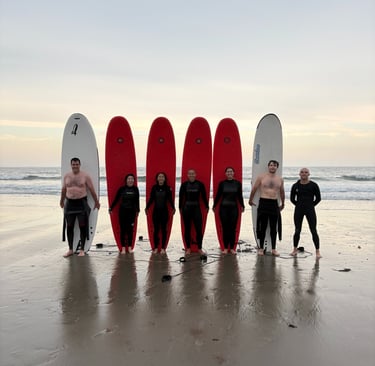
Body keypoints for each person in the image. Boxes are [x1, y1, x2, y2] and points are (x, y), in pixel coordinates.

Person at [60, 157, 100, 257]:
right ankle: (70, 249)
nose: (75, 166)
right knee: (69, 227)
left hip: (81, 203)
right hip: (70, 204)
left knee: (82, 226)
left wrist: (96, 201)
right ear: (71, 165)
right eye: (73, 164)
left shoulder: (85, 176)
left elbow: (91, 189)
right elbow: (64, 190)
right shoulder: (67, 176)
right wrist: (61, 201)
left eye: (77, 164)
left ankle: (82, 249)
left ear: (79, 165)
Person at [249, 160, 285, 256]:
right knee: (263, 226)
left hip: (274, 203)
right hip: (263, 202)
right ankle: (261, 248)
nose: (272, 167)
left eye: (274, 165)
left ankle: (273, 249)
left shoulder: (280, 179)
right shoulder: (262, 177)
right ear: (268, 166)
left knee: (274, 227)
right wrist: (250, 199)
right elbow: (254, 188)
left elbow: (282, 192)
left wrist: (283, 203)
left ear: (277, 167)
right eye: (271, 165)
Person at [290, 168, 322, 258]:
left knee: (313, 230)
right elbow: (292, 199)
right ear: (299, 174)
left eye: (306, 172)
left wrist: (311, 206)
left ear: (309, 174)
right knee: (297, 230)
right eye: (302, 172)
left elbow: (318, 198)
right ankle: (294, 249)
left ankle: (317, 251)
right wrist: (299, 205)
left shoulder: (314, 185)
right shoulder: (295, 186)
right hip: (298, 209)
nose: (304, 173)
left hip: (310, 210)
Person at [213, 167, 245, 254]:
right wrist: (214, 205)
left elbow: (240, 196)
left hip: (234, 209)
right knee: (225, 228)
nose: (229, 173)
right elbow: (218, 195)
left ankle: (232, 248)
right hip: (223, 208)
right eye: (228, 172)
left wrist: (242, 205)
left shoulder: (238, 184)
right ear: (225, 173)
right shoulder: (222, 184)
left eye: (231, 171)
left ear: (233, 173)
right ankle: (226, 248)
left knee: (233, 228)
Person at [179, 169, 209, 255]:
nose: (191, 175)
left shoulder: (200, 184)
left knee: (199, 229)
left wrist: (207, 206)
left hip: (196, 208)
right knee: (187, 229)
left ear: (195, 174)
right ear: (187, 175)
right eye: (190, 174)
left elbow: (204, 196)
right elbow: (181, 197)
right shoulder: (184, 185)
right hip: (186, 208)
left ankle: (199, 248)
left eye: (193, 173)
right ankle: (188, 248)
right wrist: (180, 208)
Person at [109, 174, 140, 254]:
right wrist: (111, 207)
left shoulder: (135, 189)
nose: (130, 180)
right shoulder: (122, 189)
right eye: (129, 179)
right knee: (123, 230)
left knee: (130, 230)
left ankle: (129, 247)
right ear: (126, 180)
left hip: (132, 212)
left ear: (134, 180)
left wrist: (138, 210)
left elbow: (137, 200)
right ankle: (123, 248)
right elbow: (116, 199)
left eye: (132, 179)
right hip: (122, 212)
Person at [145, 172, 176, 254]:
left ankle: (163, 248)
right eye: (159, 176)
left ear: (164, 179)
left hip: (164, 212)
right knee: (156, 230)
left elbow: (170, 199)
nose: (161, 178)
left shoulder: (168, 188)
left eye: (162, 177)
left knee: (164, 230)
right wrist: (147, 207)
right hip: (156, 211)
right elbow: (151, 198)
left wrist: (173, 208)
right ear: (157, 178)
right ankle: (155, 247)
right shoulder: (154, 188)